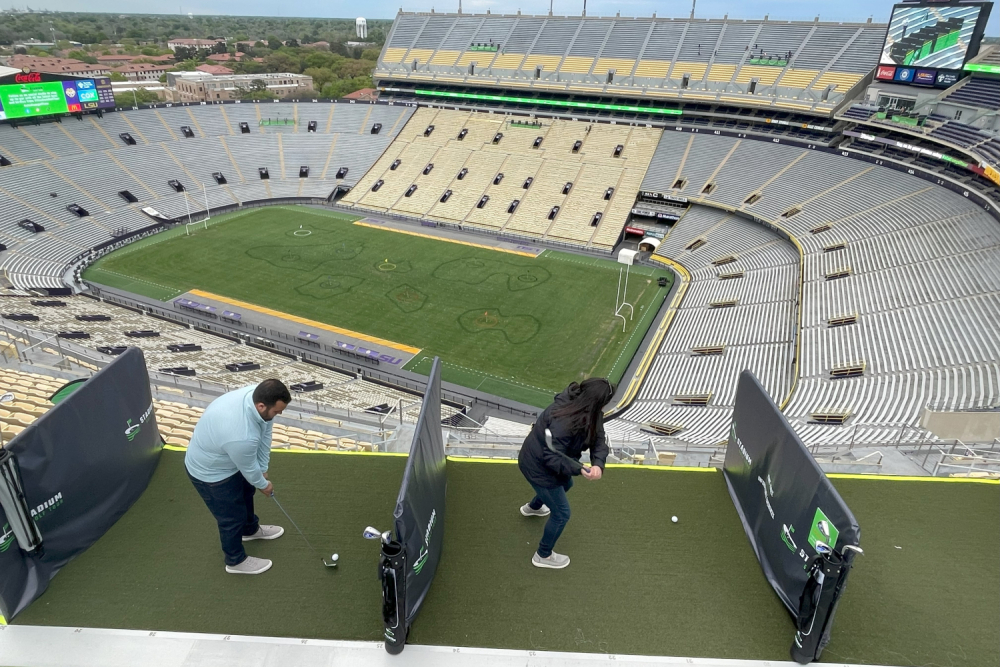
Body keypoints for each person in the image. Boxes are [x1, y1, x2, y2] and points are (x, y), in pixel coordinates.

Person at [185, 379, 291, 575]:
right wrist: (264, 484)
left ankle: (249, 530)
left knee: (246, 494)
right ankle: (235, 561)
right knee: (231, 517)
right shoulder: (241, 435)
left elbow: (265, 432)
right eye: (277, 411)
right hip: (210, 473)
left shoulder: (256, 395)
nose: (279, 414)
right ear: (261, 406)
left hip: (229, 460)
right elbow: (249, 468)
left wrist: (263, 467)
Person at [517, 378, 614, 569]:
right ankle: (542, 555)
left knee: (566, 485)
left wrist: (598, 464)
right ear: (596, 402)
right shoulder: (563, 420)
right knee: (562, 514)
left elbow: (599, 440)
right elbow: (552, 457)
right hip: (537, 465)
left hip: (546, 463)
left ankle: (534, 508)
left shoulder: (591, 412)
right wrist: (581, 468)